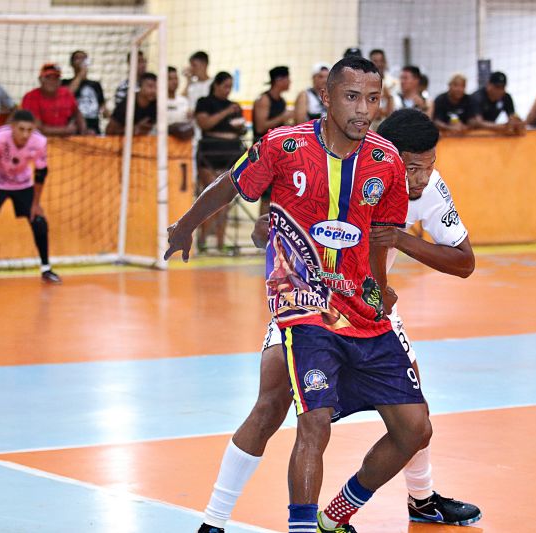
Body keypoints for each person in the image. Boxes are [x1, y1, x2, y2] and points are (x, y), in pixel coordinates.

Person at [164, 55, 430, 533]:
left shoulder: (386, 160)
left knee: (415, 427)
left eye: (372, 99)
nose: (363, 109)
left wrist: (380, 288)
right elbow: (231, 184)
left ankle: (337, 514)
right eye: (352, 97)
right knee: (305, 418)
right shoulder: (284, 145)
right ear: (325, 98)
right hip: (301, 305)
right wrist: (185, 226)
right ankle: (229, 522)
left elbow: (380, 236)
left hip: (362, 311)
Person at [194, 108, 481, 533]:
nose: (422, 179)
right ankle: (214, 519)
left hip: (370, 310)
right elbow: (272, 216)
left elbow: (464, 261)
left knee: (415, 421)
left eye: (429, 167)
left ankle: (413, 501)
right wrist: (267, 226)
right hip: (310, 303)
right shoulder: (335, 164)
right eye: (414, 168)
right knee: (271, 405)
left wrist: (400, 238)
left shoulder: (429, 188)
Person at [0, 110, 61, 286]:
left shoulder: (39, 141)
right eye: (21, 129)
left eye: (30, 130)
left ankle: (46, 268)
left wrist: (35, 204)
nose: (25, 134)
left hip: (22, 184)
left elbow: (41, 172)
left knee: (39, 221)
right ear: (12, 127)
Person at [194, 71, 246, 252]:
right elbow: (205, 124)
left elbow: (241, 129)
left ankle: (220, 242)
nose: (228, 90)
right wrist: (225, 112)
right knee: (210, 199)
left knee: (226, 200)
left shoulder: (235, 106)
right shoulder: (204, 102)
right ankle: (202, 240)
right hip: (210, 154)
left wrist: (239, 127)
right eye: (225, 86)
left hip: (230, 153)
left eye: (230, 87)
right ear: (216, 85)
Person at [253, 66, 293, 215]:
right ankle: (262, 232)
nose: (290, 82)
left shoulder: (281, 101)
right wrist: (283, 117)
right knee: (266, 196)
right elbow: (260, 126)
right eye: (288, 78)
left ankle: (273, 230)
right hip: (264, 152)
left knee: (276, 195)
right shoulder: (264, 99)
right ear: (279, 80)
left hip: (277, 153)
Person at [21, 63, 87, 137]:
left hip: (64, 141)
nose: (52, 81)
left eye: (55, 78)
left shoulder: (66, 93)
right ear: (40, 79)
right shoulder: (30, 97)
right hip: (39, 141)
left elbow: (78, 113)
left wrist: (83, 132)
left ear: (60, 81)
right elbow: (37, 128)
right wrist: (66, 130)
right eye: (48, 77)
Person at [61, 50, 107, 134]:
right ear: (71, 63)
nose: (81, 61)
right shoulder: (65, 83)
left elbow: (102, 107)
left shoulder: (95, 85)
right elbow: (67, 94)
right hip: (72, 127)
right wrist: (81, 74)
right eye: (77, 58)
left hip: (93, 127)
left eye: (84, 58)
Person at [368, 49, 396, 125]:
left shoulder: (394, 83)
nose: (379, 64)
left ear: (385, 62)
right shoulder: (365, 83)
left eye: (381, 61)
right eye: (375, 61)